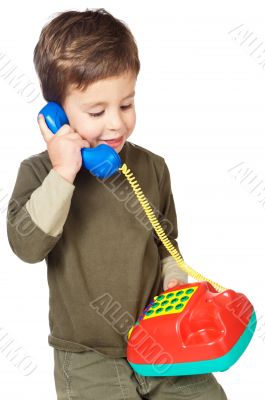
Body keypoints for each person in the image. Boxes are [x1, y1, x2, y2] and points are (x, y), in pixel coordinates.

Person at [6, 8, 228, 399]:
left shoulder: (151, 168)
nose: (116, 124)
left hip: (159, 338)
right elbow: (26, 247)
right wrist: (63, 174)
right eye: (96, 111)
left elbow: (166, 242)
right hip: (87, 355)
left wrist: (173, 277)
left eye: (126, 105)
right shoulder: (41, 173)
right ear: (56, 114)